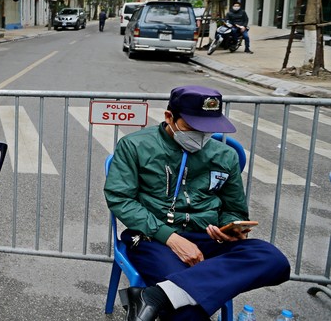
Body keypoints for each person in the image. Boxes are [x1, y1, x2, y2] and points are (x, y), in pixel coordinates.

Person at [104, 85, 290, 321]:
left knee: (273, 260)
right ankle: (172, 294)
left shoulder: (225, 155)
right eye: (193, 127)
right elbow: (121, 199)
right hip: (155, 239)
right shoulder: (135, 146)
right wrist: (172, 238)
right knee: (188, 311)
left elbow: (233, 208)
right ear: (169, 117)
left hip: (209, 239)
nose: (201, 136)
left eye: (209, 129)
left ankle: (157, 295)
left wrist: (229, 227)